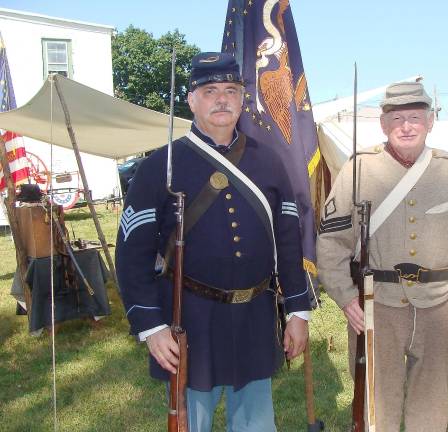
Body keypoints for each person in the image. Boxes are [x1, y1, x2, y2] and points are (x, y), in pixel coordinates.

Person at [115, 52, 311, 432]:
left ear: (242, 99)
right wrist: (151, 326)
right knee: (191, 422)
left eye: (230, 90)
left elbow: (288, 239)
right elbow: (131, 252)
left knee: (256, 423)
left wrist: (297, 313)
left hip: (254, 315)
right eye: (209, 91)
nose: (221, 99)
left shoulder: (268, 161)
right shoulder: (160, 165)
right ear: (191, 100)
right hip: (190, 320)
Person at [317, 81, 448, 432]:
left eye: (415, 117)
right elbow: (331, 241)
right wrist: (345, 295)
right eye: (397, 118)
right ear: (383, 125)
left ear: (430, 122)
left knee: (431, 399)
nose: (406, 126)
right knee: (376, 398)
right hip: (376, 303)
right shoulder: (358, 169)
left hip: (439, 304)